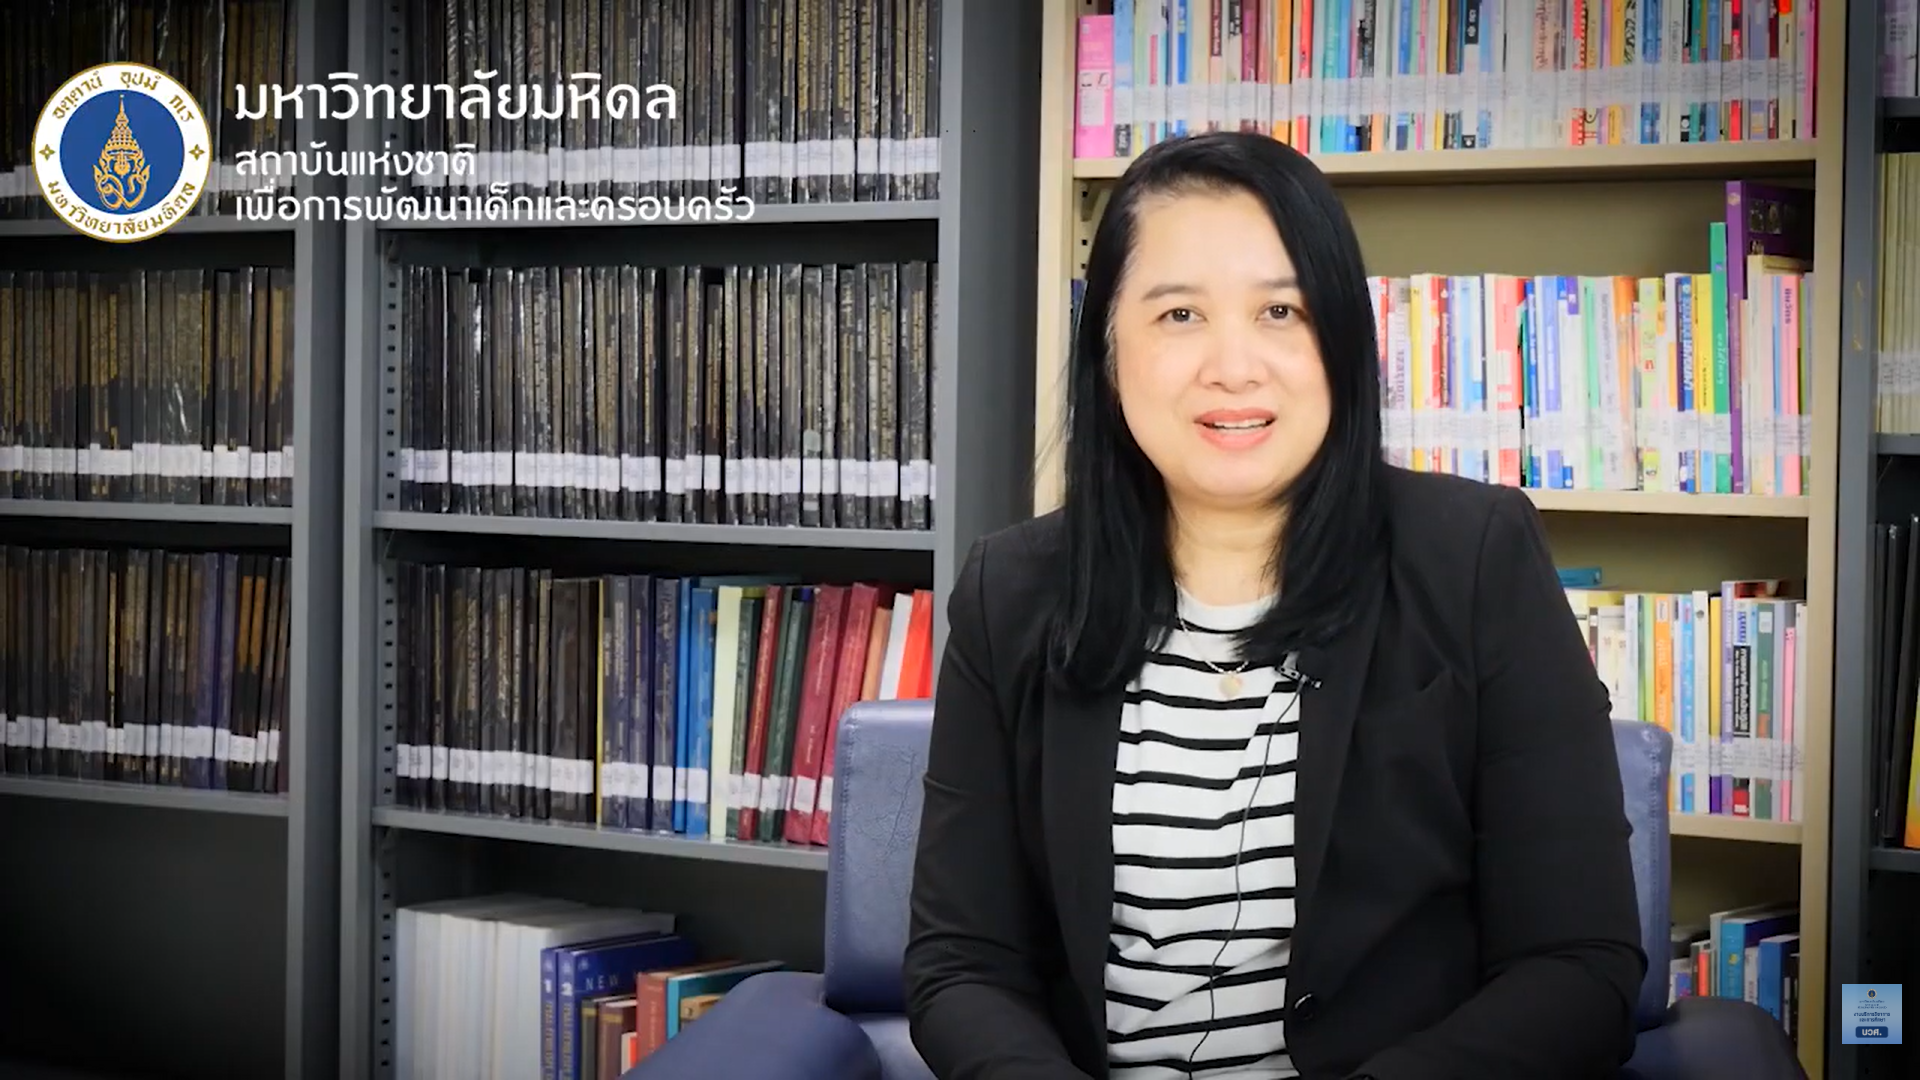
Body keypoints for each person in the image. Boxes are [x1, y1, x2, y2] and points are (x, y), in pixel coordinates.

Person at [900, 131, 1647, 1080]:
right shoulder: (1012, 590)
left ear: (1341, 341)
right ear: (1109, 349)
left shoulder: (1473, 559)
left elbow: (1579, 967)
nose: (1233, 366)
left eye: (1281, 311)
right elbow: (963, 964)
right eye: (1179, 314)